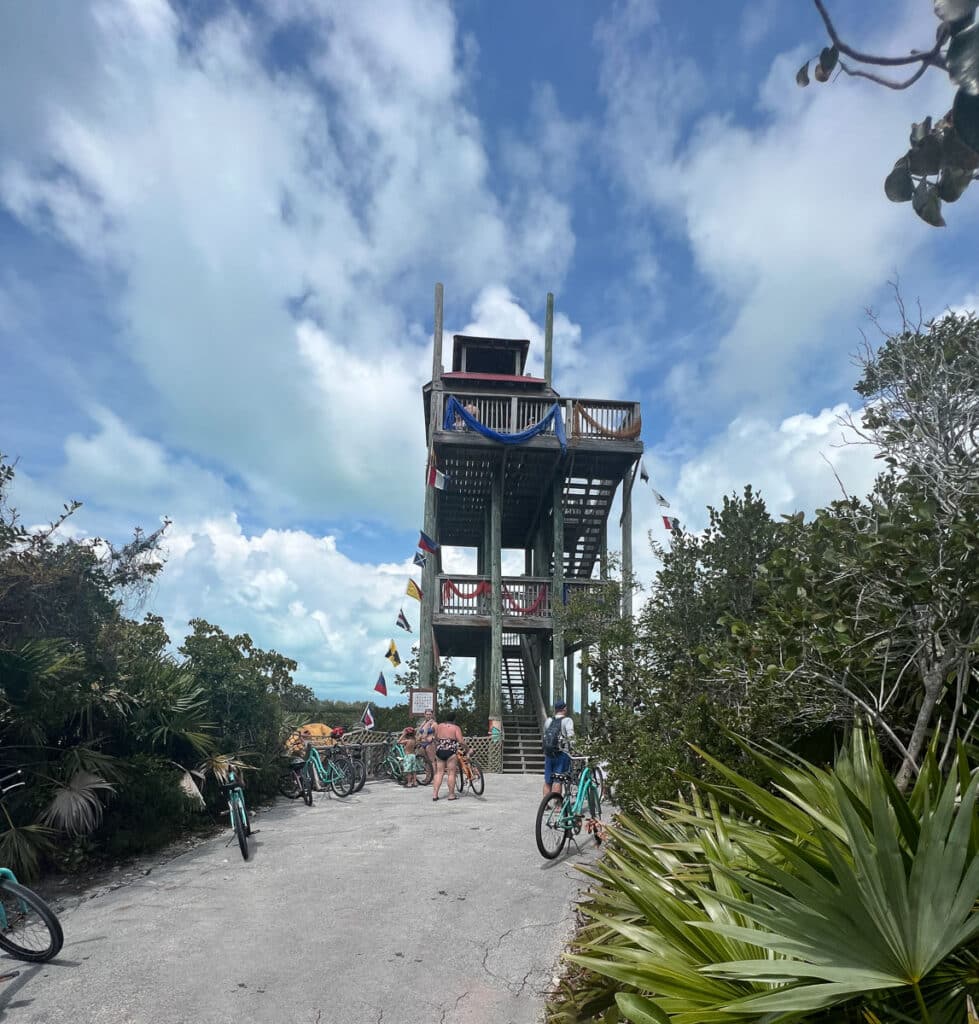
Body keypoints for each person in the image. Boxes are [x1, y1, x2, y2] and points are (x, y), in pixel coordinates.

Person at [542, 700, 574, 798]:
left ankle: (545, 803)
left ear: (555, 709)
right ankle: (557, 804)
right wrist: (574, 749)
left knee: (548, 780)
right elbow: (571, 737)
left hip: (549, 753)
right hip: (562, 754)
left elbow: (546, 735)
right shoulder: (567, 720)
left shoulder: (548, 721)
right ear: (564, 709)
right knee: (558, 780)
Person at [432, 710, 465, 801]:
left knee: (439, 773)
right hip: (451, 751)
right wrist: (467, 749)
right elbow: (461, 741)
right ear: (454, 719)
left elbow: (436, 738)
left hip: (440, 750)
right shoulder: (456, 728)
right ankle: (451, 795)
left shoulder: (439, 726)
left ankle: (435, 794)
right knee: (451, 773)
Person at [416, 708, 436, 779]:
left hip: (430, 743)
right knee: (425, 761)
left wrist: (433, 737)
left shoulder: (434, 724)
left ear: (432, 715)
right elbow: (419, 732)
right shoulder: (423, 723)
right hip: (422, 742)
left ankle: (434, 777)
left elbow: (437, 734)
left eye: (430, 714)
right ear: (424, 715)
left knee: (432, 760)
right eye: (427, 714)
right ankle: (427, 777)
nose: (428, 716)